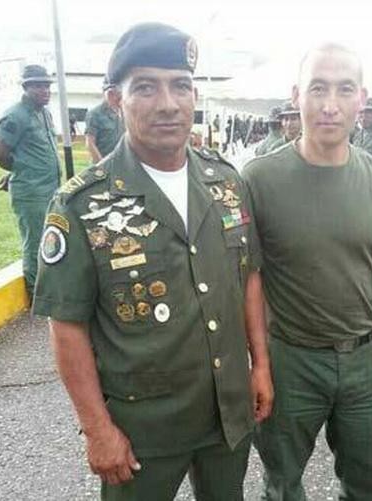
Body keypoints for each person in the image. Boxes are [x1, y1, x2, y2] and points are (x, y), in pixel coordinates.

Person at [32, 23, 273, 500]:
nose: (168, 103)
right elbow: (67, 325)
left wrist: (261, 364)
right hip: (142, 428)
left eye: (180, 85)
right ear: (115, 100)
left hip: (227, 410)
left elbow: (248, 279)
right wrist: (97, 429)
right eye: (145, 87)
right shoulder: (81, 204)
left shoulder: (226, 182)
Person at [244, 43, 372, 500]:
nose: (330, 105)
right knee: (282, 483)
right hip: (289, 360)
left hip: (364, 362)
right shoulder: (258, 179)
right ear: (297, 95)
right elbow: (250, 280)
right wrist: (259, 364)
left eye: (344, 90)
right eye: (318, 89)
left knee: (365, 483)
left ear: (362, 98)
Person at [0, 64, 61, 299]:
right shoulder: (15, 116)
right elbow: (0, 154)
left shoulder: (44, 113)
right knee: (35, 243)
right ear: (26, 87)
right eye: (38, 86)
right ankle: (36, 294)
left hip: (50, 188)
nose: (45, 90)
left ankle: (49, 286)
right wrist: (22, 172)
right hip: (31, 192)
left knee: (51, 238)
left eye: (47, 86)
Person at [85, 77, 125, 163]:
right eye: (111, 92)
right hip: (104, 163)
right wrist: (102, 165)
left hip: (122, 163)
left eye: (118, 91)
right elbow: (90, 143)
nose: (115, 95)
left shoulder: (125, 112)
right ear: (105, 93)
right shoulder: (95, 113)